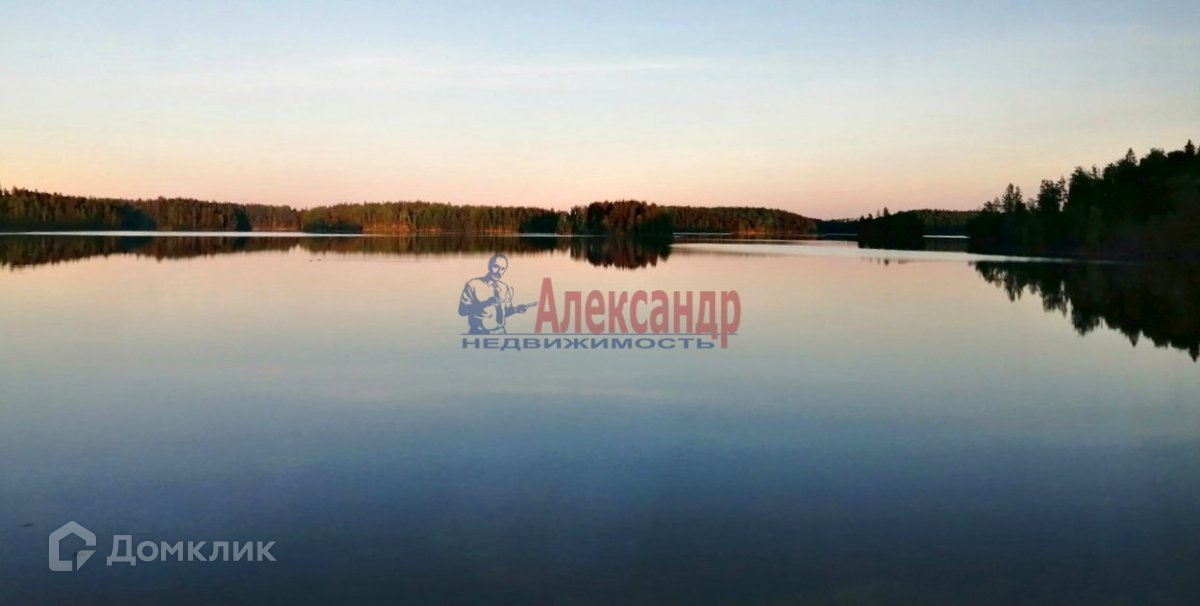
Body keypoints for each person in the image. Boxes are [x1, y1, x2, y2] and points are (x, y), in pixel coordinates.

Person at [458, 253, 531, 334]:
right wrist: (486, 304)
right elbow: (462, 311)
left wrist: (516, 309)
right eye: (496, 267)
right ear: (489, 266)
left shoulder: (504, 287)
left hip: (501, 332)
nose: (499, 272)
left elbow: (504, 313)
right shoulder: (473, 284)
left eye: (503, 269)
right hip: (479, 333)